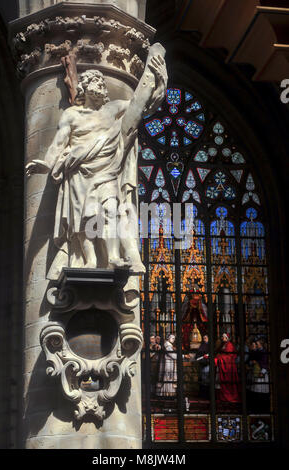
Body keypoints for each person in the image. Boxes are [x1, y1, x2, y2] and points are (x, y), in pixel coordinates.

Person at [26, 44, 168, 279]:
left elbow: (142, 106)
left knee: (111, 209)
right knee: (83, 218)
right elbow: (58, 144)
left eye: (103, 83)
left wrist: (161, 80)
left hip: (106, 170)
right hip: (79, 172)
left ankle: (112, 256)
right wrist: (46, 164)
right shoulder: (71, 115)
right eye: (96, 82)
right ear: (84, 86)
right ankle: (89, 259)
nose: (101, 86)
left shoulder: (113, 109)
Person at [215, 333, 240, 403]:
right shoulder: (223, 344)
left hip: (228, 365)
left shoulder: (229, 345)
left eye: (223, 337)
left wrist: (219, 358)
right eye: (222, 337)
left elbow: (229, 356)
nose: (222, 338)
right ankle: (221, 397)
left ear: (227, 338)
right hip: (222, 364)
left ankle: (228, 396)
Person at [196, 334, 210, 399]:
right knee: (202, 379)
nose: (204, 339)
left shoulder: (210, 345)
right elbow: (198, 354)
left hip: (207, 364)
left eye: (206, 338)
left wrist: (207, 357)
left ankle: (206, 395)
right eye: (203, 338)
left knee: (206, 379)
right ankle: (202, 394)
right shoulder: (202, 345)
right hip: (202, 364)